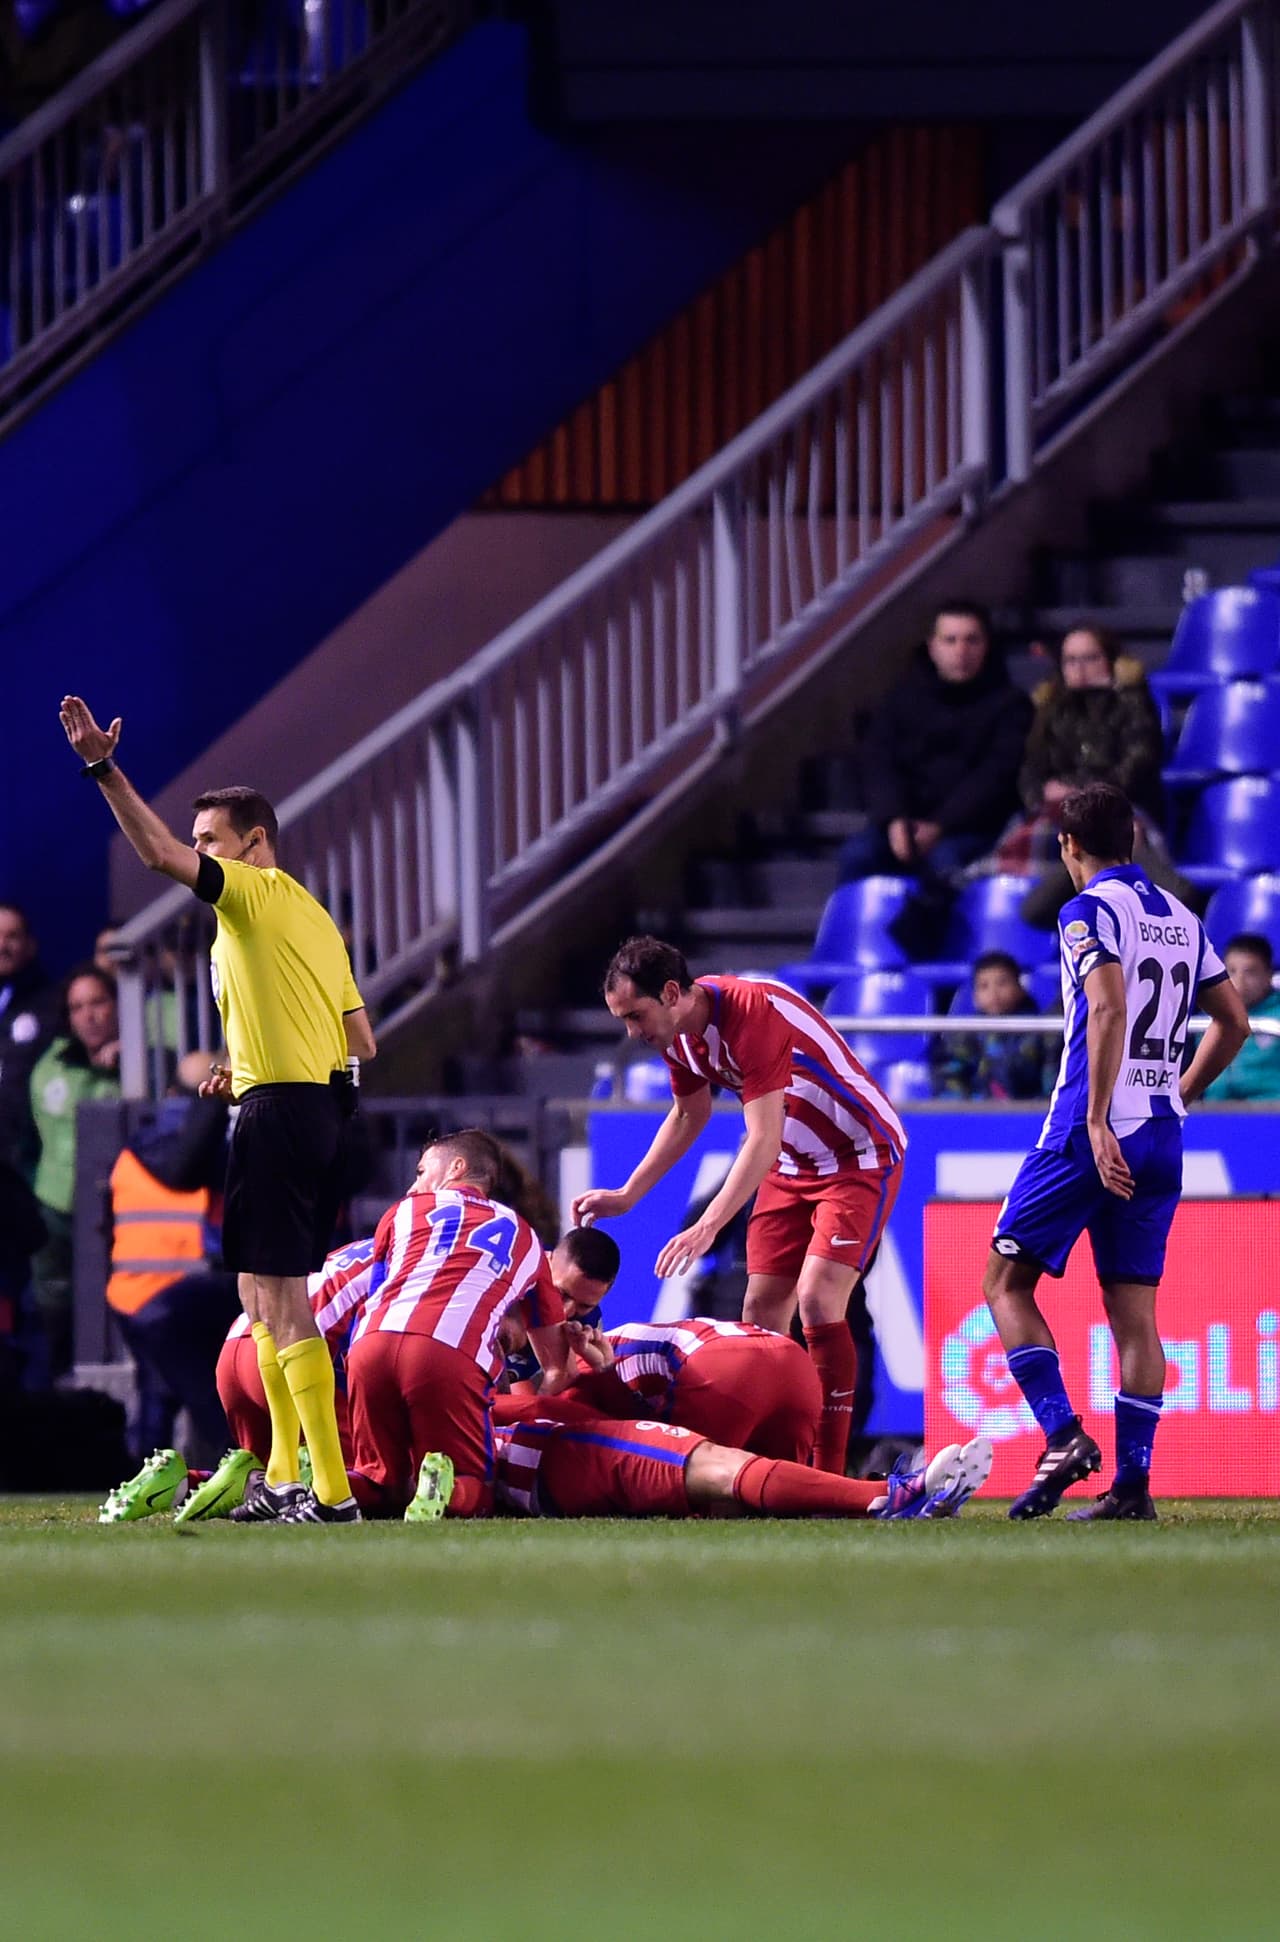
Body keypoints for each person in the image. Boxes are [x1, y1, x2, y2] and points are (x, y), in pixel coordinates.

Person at [59, 694, 376, 1525]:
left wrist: (101, 767)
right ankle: (279, 1474)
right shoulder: (315, 917)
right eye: (204, 843)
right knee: (257, 1288)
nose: (200, 853)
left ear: (255, 843)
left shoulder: (253, 894)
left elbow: (158, 850)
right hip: (309, 1106)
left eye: (213, 841)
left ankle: (332, 1492)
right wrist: (255, 1065)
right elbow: (360, 1040)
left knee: (281, 1293)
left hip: (279, 1113)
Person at [982, 782, 1248, 1522]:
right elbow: (1235, 1021)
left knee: (1004, 1282)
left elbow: (1105, 1004)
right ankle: (1132, 1488)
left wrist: (1098, 1118)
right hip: (1163, 1131)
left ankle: (1063, 1436)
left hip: (1089, 1127)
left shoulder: (1085, 911)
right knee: (1135, 1314)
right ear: (1131, 840)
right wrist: (1180, 1091)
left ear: (1069, 847)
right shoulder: (1182, 917)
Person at [571, 936, 905, 1475]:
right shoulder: (676, 1034)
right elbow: (688, 1114)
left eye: (635, 1015)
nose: (632, 1032)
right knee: (760, 1317)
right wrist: (628, 1193)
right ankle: (775, 1466)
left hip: (858, 1154)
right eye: (622, 1020)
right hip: (793, 1161)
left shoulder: (752, 1011)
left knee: (819, 1300)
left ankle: (829, 1473)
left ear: (673, 992)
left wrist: (707, 1226)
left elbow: (761, 1139)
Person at [346, 1129, 571, 1520]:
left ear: (457, 1166)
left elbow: (376, 1293)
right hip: (448, 1351)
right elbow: (555, 1360)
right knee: (476, 1486)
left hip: (370, 1345)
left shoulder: (399, 1213)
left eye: (421, 1170)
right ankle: (442, 1485)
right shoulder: (526, 1236)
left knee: (380, 1481)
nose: (414, 1184)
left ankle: (311, 1481)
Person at [1004, 624, 1195, 927]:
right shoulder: (1050, 709)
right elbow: (1031, 770)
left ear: (1111, 660)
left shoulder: (1132, 702)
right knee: (1034, 844)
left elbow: (1137, 764)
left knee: (1117, 834)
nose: (1079, 668)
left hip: (1118, 805)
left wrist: (1081, 793)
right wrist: (1042, 793)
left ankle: (1171, 903)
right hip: (1059, 814)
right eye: (1071, 660)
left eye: (1089, 658)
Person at [837, 601, 1032, 892]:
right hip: (901, 826)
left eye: (971, 640)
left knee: (944, 864)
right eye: (950, 640)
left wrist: (940, 825)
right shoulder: (901, 700)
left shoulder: (1011, 705)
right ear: (932, 646)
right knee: (857, 856)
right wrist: (894, 821)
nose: (961, 651)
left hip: (974, 828)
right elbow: (879, 763)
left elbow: (995, 777)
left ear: (986, 646)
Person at [105, 1049, 239, 1467]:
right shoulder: (212, 1137)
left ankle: (153, 1475)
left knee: (159, 1399)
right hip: (196, 1289)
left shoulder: (136, 1146)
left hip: (138, 1297)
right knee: (211, 1396)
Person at [492, 1413, 994, 1522]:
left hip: (542, 1467)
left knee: (730, 1495)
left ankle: (878, 1499)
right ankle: (888, 1495)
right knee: (719, 1466)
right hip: (551, 1457)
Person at [501, 1315, 825, 1467]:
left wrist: (488, 1409)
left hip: (722, 1368)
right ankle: (866, 1492)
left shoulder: (582, 1370)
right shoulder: (605, 1351)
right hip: (793, 1359)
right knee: (789, 1498)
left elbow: (538, 1413)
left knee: (696, 1485)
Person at [28, 963, 122, 1379]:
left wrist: (124, 1066)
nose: (90, 1014)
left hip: (114, 1212)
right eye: (78, 1006)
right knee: (53, 1310)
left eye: (98, 1001)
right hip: (55, 1204)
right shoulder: (52, 1063)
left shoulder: (144, 1061)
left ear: (118, 1005)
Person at [502, 1224, 620, 1393]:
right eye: (561, 1293)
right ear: (546, 1260)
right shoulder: (503, 1278)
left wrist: (601, 1368)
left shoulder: (588, 1329)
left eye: (584, 1305)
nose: (566, 1311)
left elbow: (538, 1400)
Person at [931, 950, 1051, 1101]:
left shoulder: (1041, 1031)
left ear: (1020, 988)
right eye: (984, 986)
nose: (994, 993)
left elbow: (1051, 1084)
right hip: (978, 1116)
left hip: (1030, 1114)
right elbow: (948, 1077)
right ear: (975, 996)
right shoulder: (965, 1034)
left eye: (1002, 983)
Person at [0, 901, 60, 1177]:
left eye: (12, 936)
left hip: (24, 1155)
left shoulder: (51, 1003)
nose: (3, 945)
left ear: (29, 944)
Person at [1202, 934, 1280, 1103]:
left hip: (1270, 1113)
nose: (1240, 981)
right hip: (1211, 1114)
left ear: (1268, 975)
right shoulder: (1207, 1016)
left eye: (1250, 972)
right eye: (1231, 971)